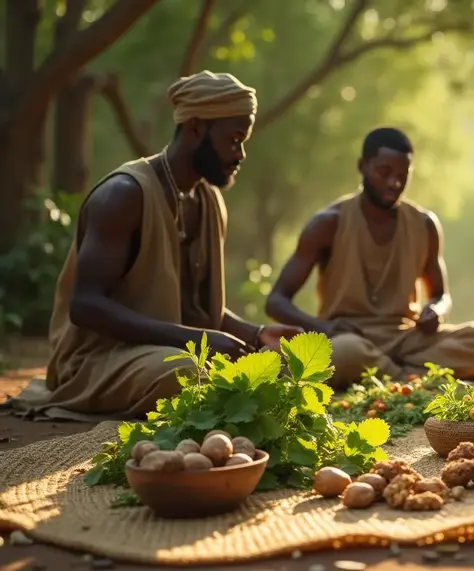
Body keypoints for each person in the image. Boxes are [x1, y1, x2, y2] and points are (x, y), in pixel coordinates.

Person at [4, 71, 302, 422]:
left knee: (281, 369)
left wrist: (257, 334)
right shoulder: (124, 195)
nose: (240, 154)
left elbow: (198, 310)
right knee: (188, 376)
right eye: (234, 139)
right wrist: (197, 342)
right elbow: (85, 306)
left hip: (165, 352)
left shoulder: (209, 201)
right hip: (98, 362)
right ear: (195, 129)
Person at [265, 127, 474, 386]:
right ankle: (414, 377)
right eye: (384, 173)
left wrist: (435, 311)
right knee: (344, 353)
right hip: (349, 337)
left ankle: (389, 376)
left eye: (402, 176)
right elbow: (276, 301)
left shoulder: (424, 224)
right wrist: (324, 328)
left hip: (407, 338)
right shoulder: (328, 223)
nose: (394, 183)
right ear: (363, 166)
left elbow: (441, 295)